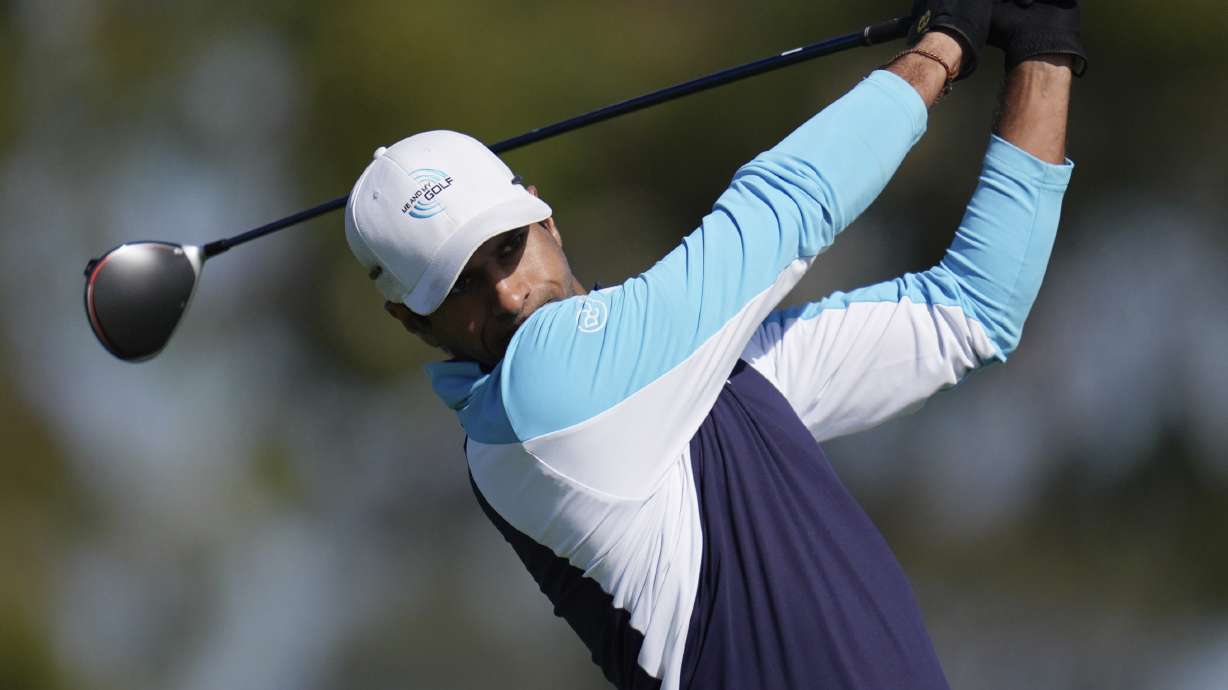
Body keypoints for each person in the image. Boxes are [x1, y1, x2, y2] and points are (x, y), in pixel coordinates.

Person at [343, 1, 1085, 687]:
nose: (506, 295)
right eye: (460, 288)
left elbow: (969, 312)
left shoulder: (696, 384)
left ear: (544, 214)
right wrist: (943, 45)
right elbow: (780, 210)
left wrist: (1042, 47)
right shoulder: (537, 400)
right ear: (412, 322)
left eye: (506, 249)